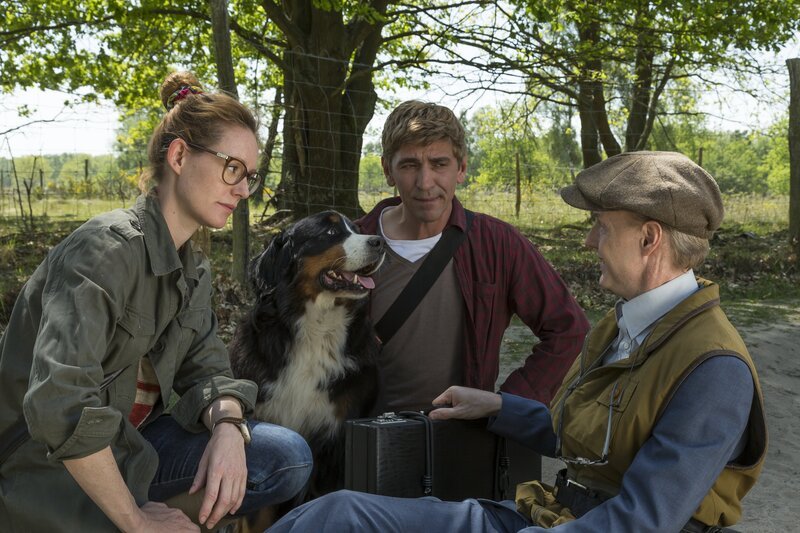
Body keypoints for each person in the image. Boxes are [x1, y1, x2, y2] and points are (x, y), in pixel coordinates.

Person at [268, 151, 767, 532]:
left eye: (601, 228)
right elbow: (594, 435)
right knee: (337, 514)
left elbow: (642, 520)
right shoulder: (625, 325)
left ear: (649, 238)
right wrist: (495, 406)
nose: (590, 242)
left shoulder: (713, 367)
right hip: (551, 512)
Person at [0, 72, 312, 532]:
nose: (245, 191)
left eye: (250, 176)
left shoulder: (193, 268)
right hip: (49, 460)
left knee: (282, 457)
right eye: (232, 169)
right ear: (180, 156)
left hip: (133, 446)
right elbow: (59, 404)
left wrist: (228, 426)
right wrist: (136, 521)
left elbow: (208, 372)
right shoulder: (103, 252)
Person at [357, 101, 589, 413]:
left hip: (462, 443)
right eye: (410, 165)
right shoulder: (350, 246)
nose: (425, 183)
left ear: (462, 168)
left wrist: (507, 404)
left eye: (439, 164)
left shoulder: (497, 244)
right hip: (362, 442)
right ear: (387, 169)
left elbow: (571, 331)